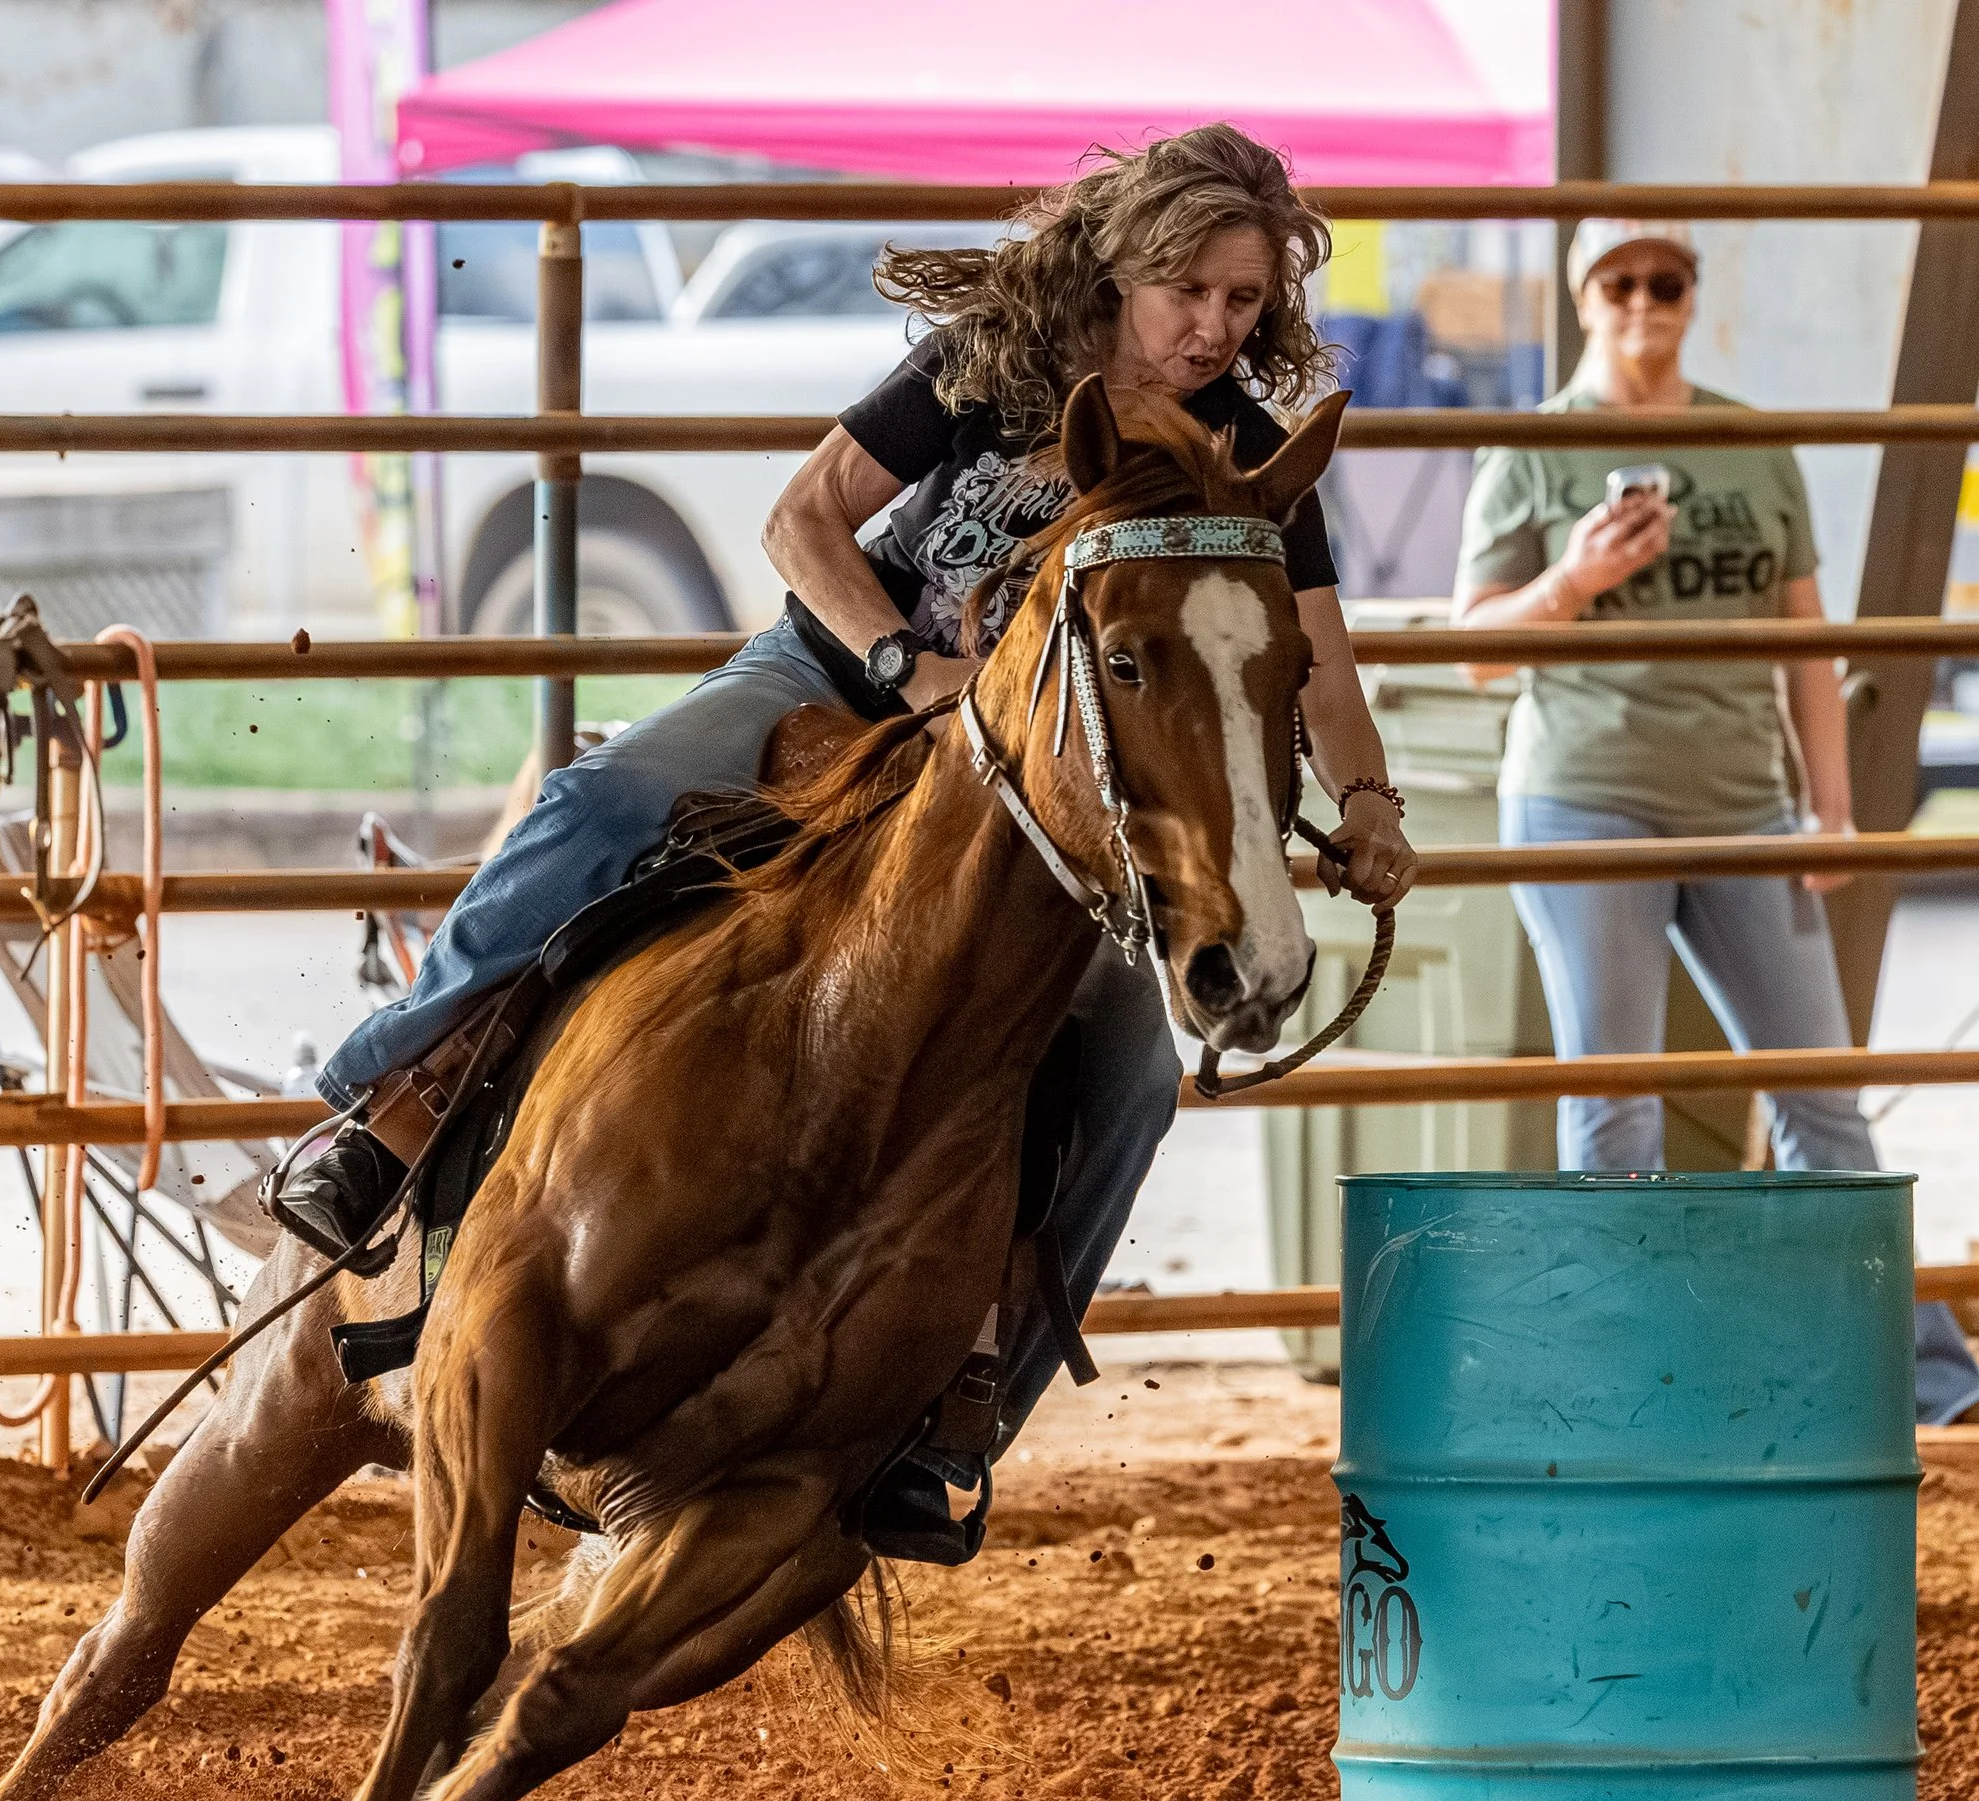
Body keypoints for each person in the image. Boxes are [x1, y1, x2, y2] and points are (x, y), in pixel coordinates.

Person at [283, 123, 1419, 1555]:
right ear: (1127, 267)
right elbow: (804, 515)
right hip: (840, 682)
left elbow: (1316, 658)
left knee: (1129, 1055)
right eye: (1189, 288)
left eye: (1244, 303)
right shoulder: (994, 366)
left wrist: (1368, 805)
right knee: (598, 805)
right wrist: (901, 666)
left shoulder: (1244, 456)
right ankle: (380, 1114)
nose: (1213, 327)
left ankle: (960, 1395)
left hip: (1037, 790)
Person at [1454, 216, 1979, 1426]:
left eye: (1668, 279)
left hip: (1749, 806)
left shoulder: (1748, 443)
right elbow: (1474, 651)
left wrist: (1831, 813)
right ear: (1586, 298)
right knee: (1614, 1103)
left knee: (1822, 1094)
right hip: (1583, 799)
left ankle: (1918, 1383)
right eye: (1621, 280)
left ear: (1693, 296)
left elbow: (1807, 640)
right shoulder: (1533, 453)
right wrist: (1572, 582)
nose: (1645, 298)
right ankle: (1631, 1383)